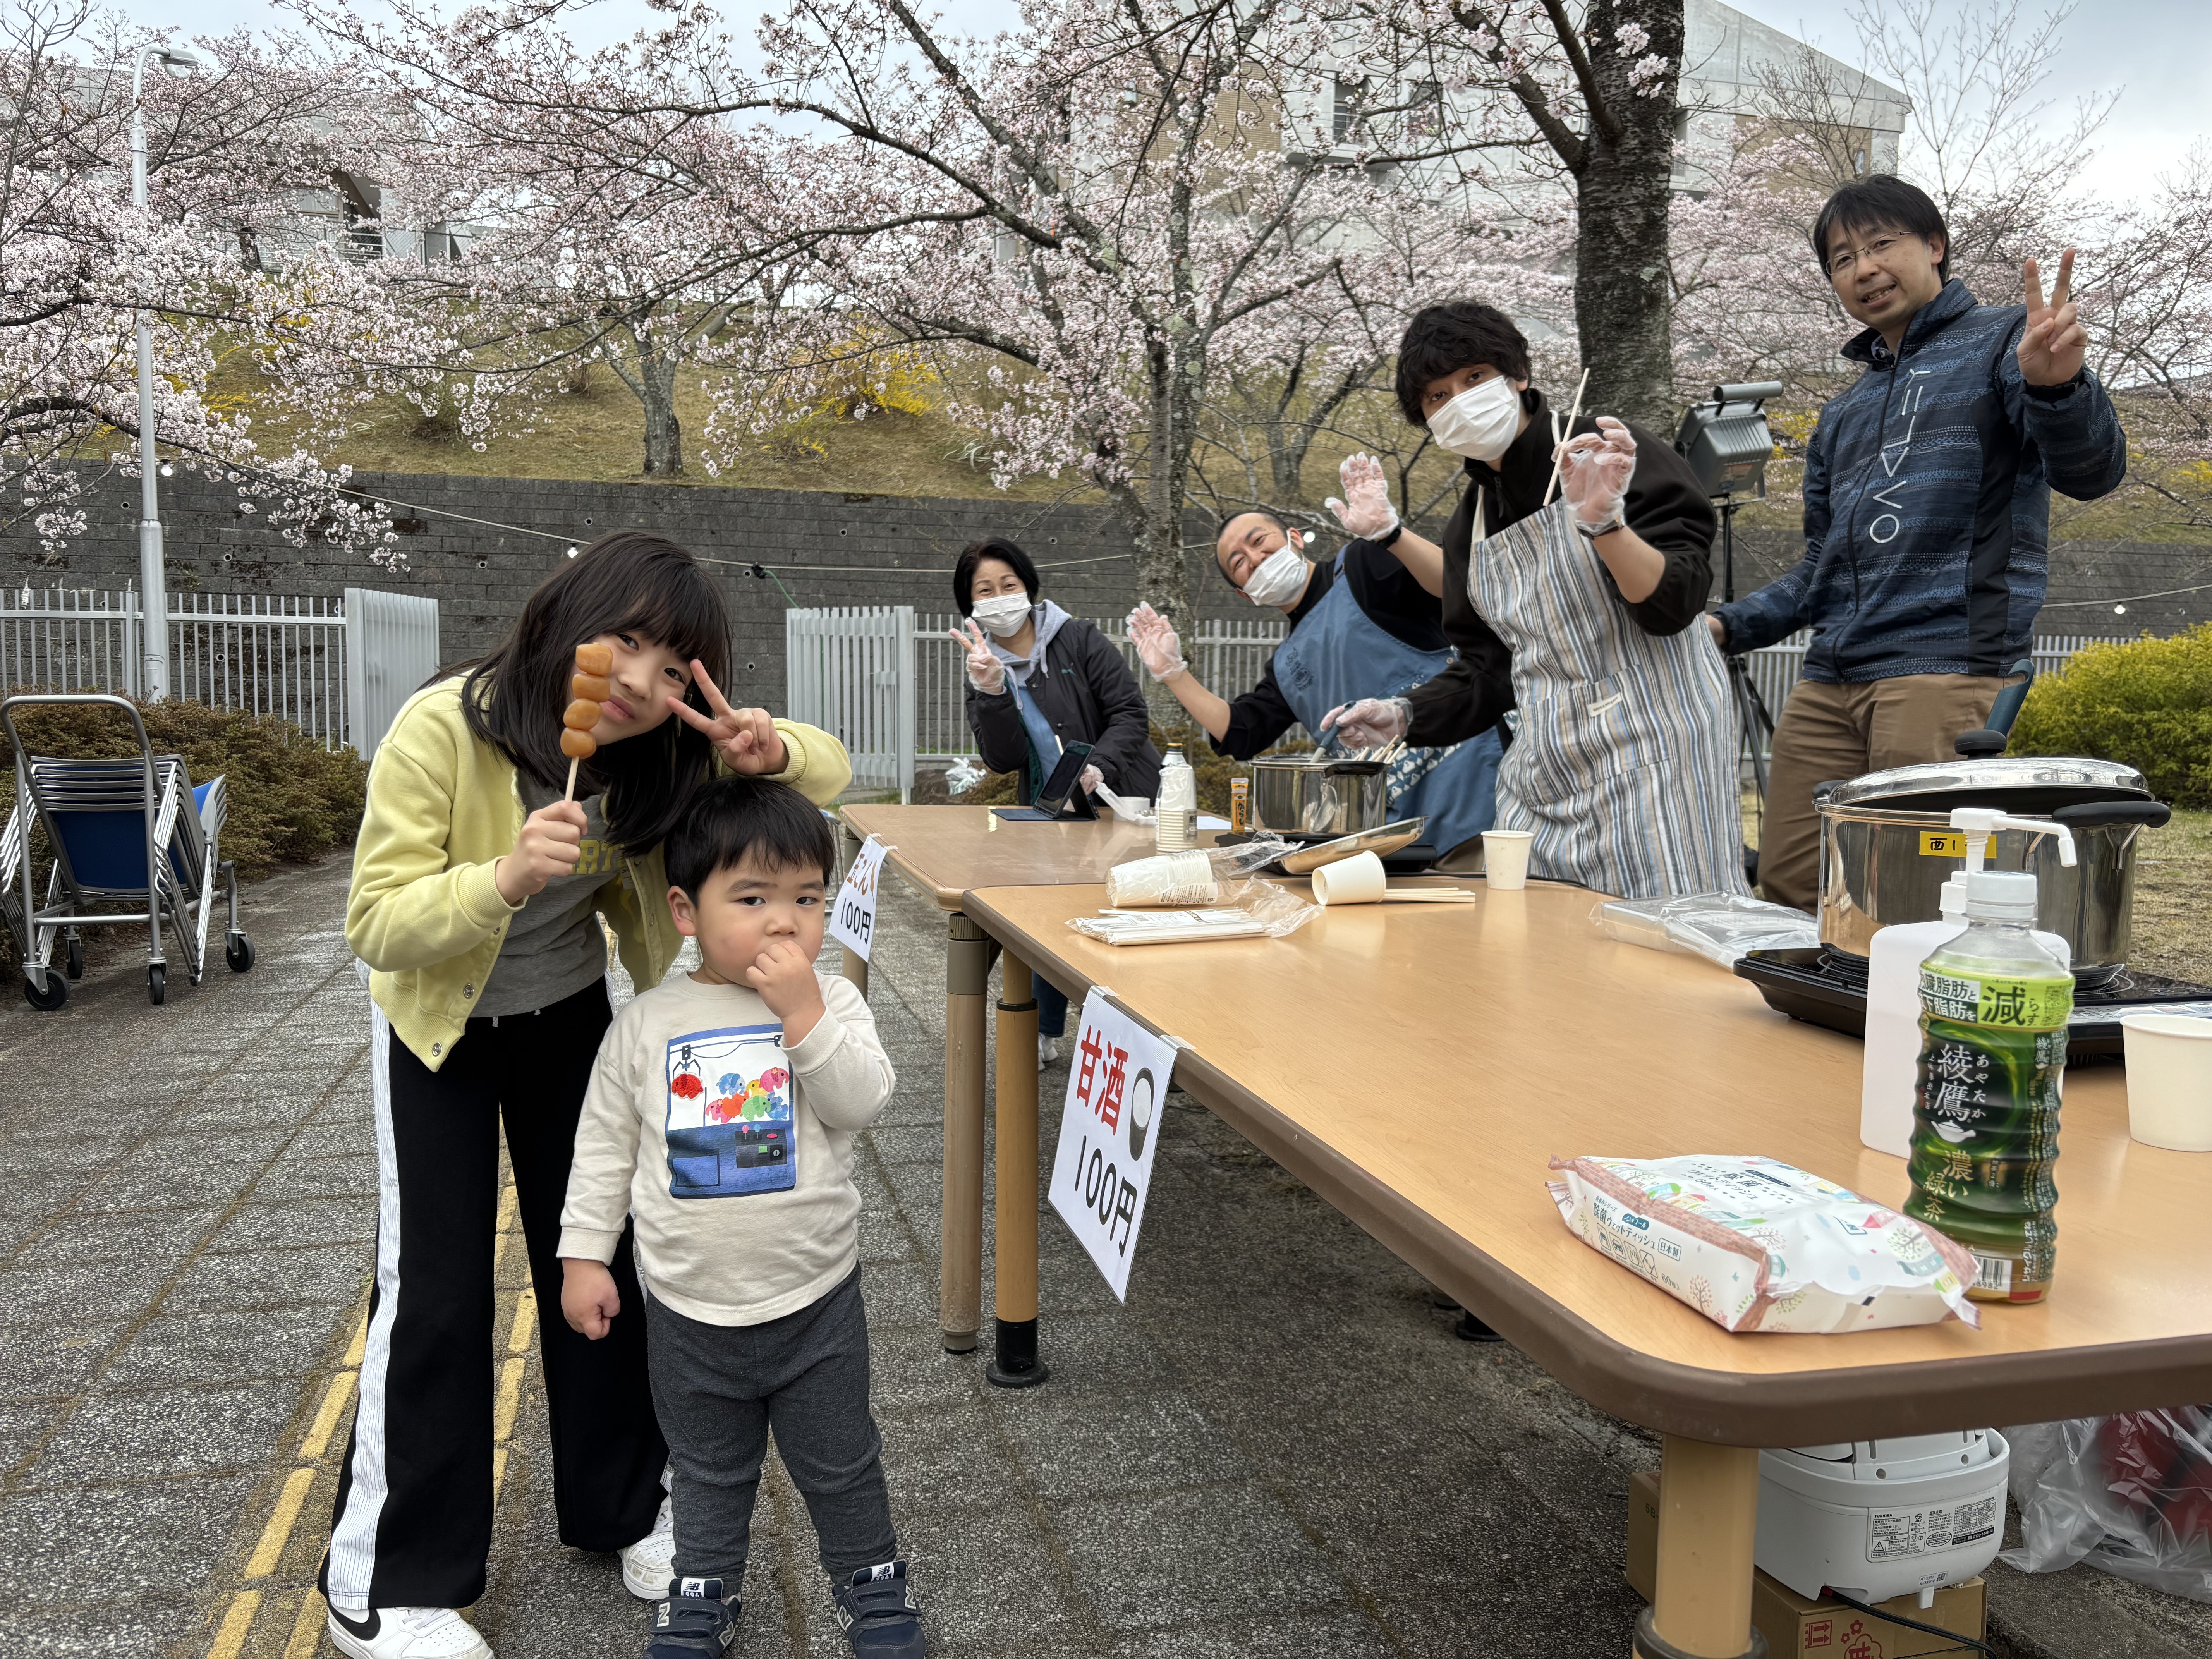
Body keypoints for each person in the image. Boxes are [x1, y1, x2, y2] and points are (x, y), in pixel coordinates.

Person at [328, 533, 853, 1659]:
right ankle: (389, 1577)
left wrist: (768, 746)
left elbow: (828, 775)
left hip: (568, 1020)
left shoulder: (656, 763)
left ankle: (620, 1506)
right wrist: (504, 878)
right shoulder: (444, 728)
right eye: (623, 643)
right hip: (438, 1033)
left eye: (673, 673)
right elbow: (373, 923)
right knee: (437, 1290)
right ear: (564, 614)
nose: (637, 685)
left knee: (603, 1264)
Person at [560, 776, 922, 1659]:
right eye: (752, 899)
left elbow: (862, 1102)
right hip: (688, 1312)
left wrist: (803, 1017)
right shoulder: (647, 1025)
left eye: (806, 899)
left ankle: (872, 1588)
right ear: (685, 912)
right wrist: (583, 1256)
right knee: (710, 1472)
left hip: (816, 1301)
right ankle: (704, 1589)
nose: (784, 922)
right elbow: (605, 1147)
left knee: (841, 1465)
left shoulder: (831, 1003)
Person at [1709, 175, 2128, 913]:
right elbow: (1818, 568)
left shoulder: (2006, 341)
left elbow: (2092, 473)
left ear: (1933, 246)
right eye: (1841, 259)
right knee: (1791, 885)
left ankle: (1910, 1028)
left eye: (1880, 244)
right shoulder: (1843, 413)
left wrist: (2060, 391)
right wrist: (1724, 624)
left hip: (1943, 663)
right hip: (1829, 674)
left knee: (1904, 894)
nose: (1863, 268)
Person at [1328, 300, 1745, 898]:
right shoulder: (1470, 523)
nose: (1460, 401)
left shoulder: (1606, 455)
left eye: (1474, 379)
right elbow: (1488, 671)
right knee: (1537, 943)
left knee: (1660, 942)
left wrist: (1608, 525)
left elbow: (1673, 607)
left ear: (1518, 376)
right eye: (1438, 396)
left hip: (1656, 756)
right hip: (1547, 773)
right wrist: (1405, 714)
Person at [1124, 453, 1503, 861]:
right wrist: (1173, 673)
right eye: (1240, 564)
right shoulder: (1287, 667)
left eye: (1258, 542)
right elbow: (1240, 732)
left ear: (1293, 537)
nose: (1255, 560)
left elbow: (1457, 588)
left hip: (1476, 785)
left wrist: (1391, 535)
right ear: (1243, 594)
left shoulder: (1362, 563)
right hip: (1396, 838)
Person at [951, 536, 1159, 1063]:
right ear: (970, 605)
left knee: (1128, 916)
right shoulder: (982, 667)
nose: (1000, 597)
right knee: (1050, 916)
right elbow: (1002, 758)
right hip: (1051, 812)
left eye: (1008, 585)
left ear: (1028, 586)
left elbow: (1131, 713)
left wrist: (1097, 766)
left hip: (1123, 798)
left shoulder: (1079, 639)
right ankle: (1043, 1031)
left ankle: (1146, 1037)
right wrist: (993, 692)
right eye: (985, 591)